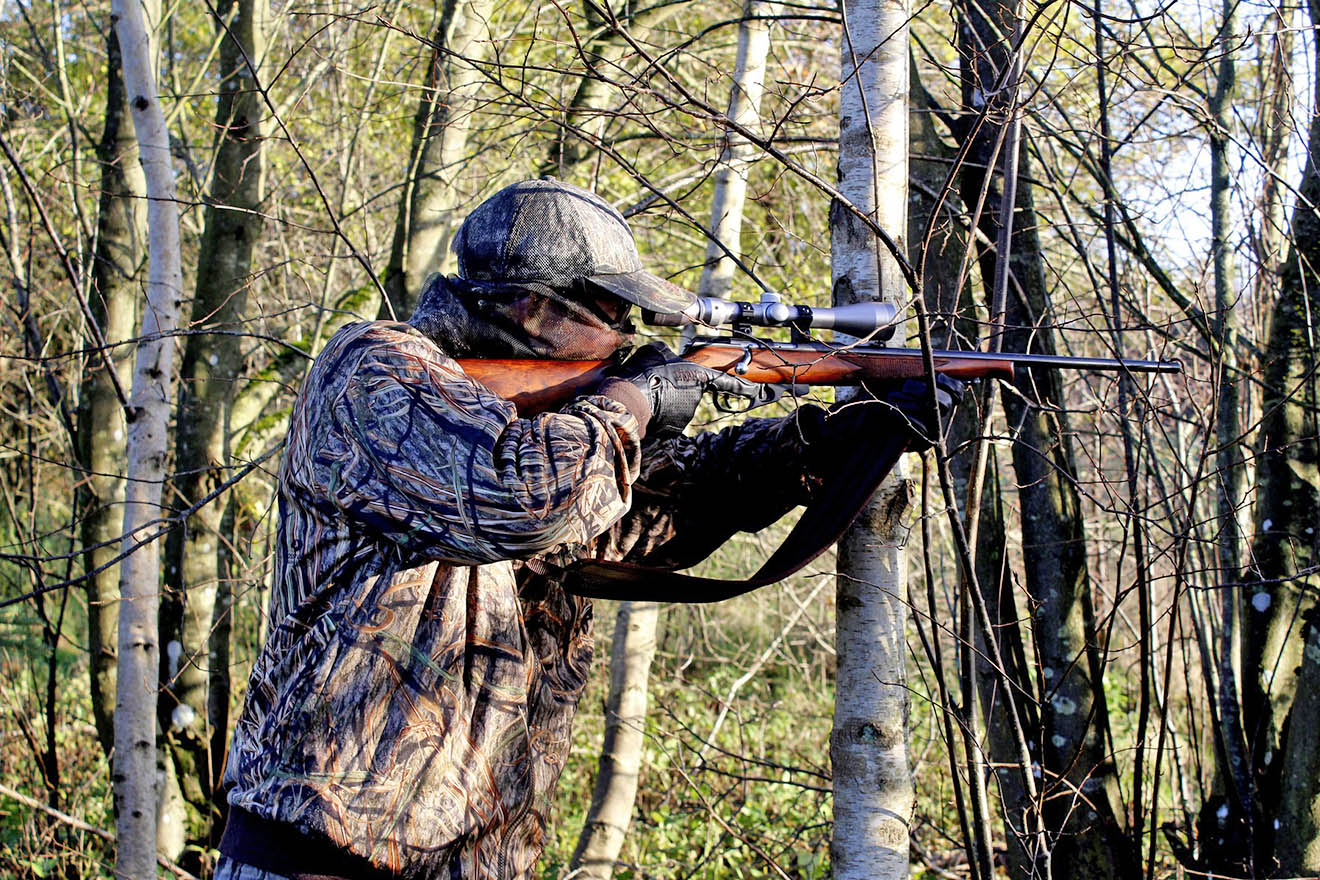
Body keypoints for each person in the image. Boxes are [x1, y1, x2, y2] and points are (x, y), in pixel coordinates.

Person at [215, 179, 944, 880]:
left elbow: (662, 512)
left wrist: (833, 443)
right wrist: (633, 402)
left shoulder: (550, 431)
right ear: (532, 306)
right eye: (609, 311)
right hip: (320, 861)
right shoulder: (375, 369)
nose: (625, 335)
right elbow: (523, 498)